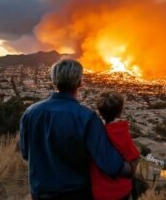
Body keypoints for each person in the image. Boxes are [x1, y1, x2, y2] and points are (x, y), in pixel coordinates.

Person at [19, 59, 133, 200]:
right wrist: (130, 169)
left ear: (54, 81)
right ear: (80, 83)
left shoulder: (30, 113)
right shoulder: (87, 118)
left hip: (40, 191)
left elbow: (25, 153)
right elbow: (109, 163)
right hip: (76, 193)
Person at [90, 91, 140, 200]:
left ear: (100, 111)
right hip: (121, 191)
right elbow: (134, 157)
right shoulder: (121, 133)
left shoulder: (94, 133)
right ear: (119, 113)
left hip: (99, 191)